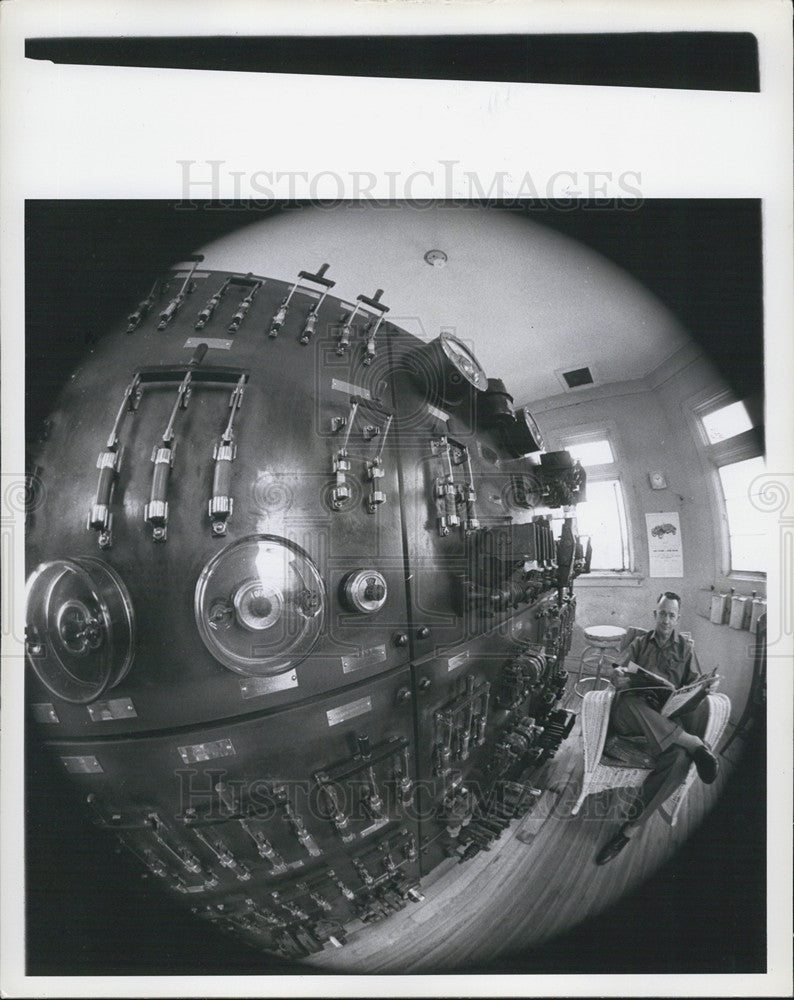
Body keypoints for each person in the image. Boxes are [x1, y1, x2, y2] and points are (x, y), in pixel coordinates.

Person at [594, 591, 720, 865]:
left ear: (677, 618)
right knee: (629, 705)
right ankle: (694, 744)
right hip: (631, 717)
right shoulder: (639, 643)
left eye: (671, 615)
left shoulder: (685, 649)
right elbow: (617, 673)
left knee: (678, 760)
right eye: (662, 613)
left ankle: (628, 830)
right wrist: (616, 676)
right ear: (655, 614)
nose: (665, 620)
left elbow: (693, 687)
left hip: (663, 720)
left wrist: (707, 686)